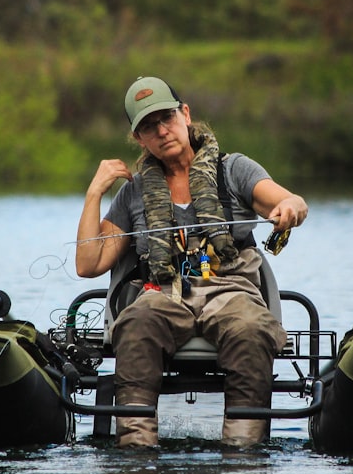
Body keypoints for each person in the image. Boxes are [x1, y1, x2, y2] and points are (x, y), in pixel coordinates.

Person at [75, 76, 308, 448]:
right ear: (139, 139)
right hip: (163, 293)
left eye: (166, 118)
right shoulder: (133, 193)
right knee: (135, 322)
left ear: (185, 114)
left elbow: (289, 201)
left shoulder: (234, 170)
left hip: (230, 291)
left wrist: (289, 209)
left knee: (251, 327)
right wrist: (94, 193)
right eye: (148, 127)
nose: (162, 131)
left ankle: (243, 454)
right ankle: (135, 453)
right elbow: (88, 263)